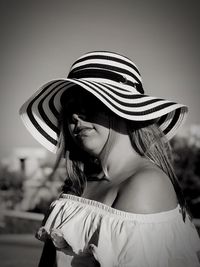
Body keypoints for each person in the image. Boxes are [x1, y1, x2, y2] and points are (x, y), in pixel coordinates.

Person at [19, 51, 200, 267]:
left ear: (125, 110)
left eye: (89, 102)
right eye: (70, 107)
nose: (76, 116)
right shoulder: (80, 184)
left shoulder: (145, 185)